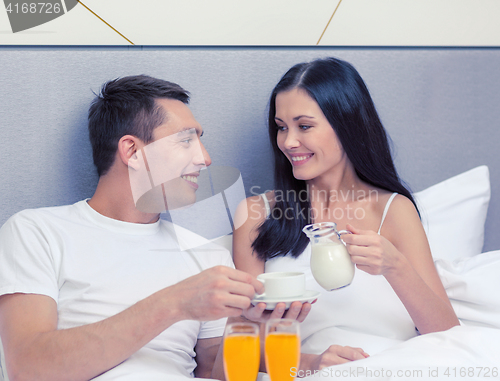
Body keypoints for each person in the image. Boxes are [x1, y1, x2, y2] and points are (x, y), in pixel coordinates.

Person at [0, 75, 289, 381]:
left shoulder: (205, 257)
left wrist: (250, 325)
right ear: (132, 151)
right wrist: (175, 303)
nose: (204, 158)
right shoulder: (38, 232)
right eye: (186, 140)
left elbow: (214, 371)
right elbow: (29, 368)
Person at [233, 57, 460, 371]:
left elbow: (449, 335)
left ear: (347, 124)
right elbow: (241, 345)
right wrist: (311, 364)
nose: (288, 141)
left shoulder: (393, 211)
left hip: (394, 367)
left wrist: (396, 266)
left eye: (305, 126)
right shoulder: (257, 214)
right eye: (281, 128)